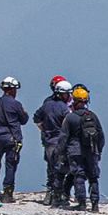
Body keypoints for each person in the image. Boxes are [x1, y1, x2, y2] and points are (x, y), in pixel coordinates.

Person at [57, 83, 106, 211]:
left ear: (74, 100)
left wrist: (60, 153)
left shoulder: (70, 117)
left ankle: (82, 203)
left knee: (79, 176)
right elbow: (101, 136)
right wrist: (98, 151)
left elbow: (63, 137)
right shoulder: (93, 116)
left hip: (75, 151)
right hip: (91, 150)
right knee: (93, 177)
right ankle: (95, 204)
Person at [34, 78, 73, 206]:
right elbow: (69, 125)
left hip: (48, 141)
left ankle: (49, 194)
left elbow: (36, 118)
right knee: (61, 169)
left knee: (51, 168)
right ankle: (58, 196)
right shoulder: (64, 108)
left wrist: (44, 130)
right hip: (60, 142)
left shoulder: (46, 104)